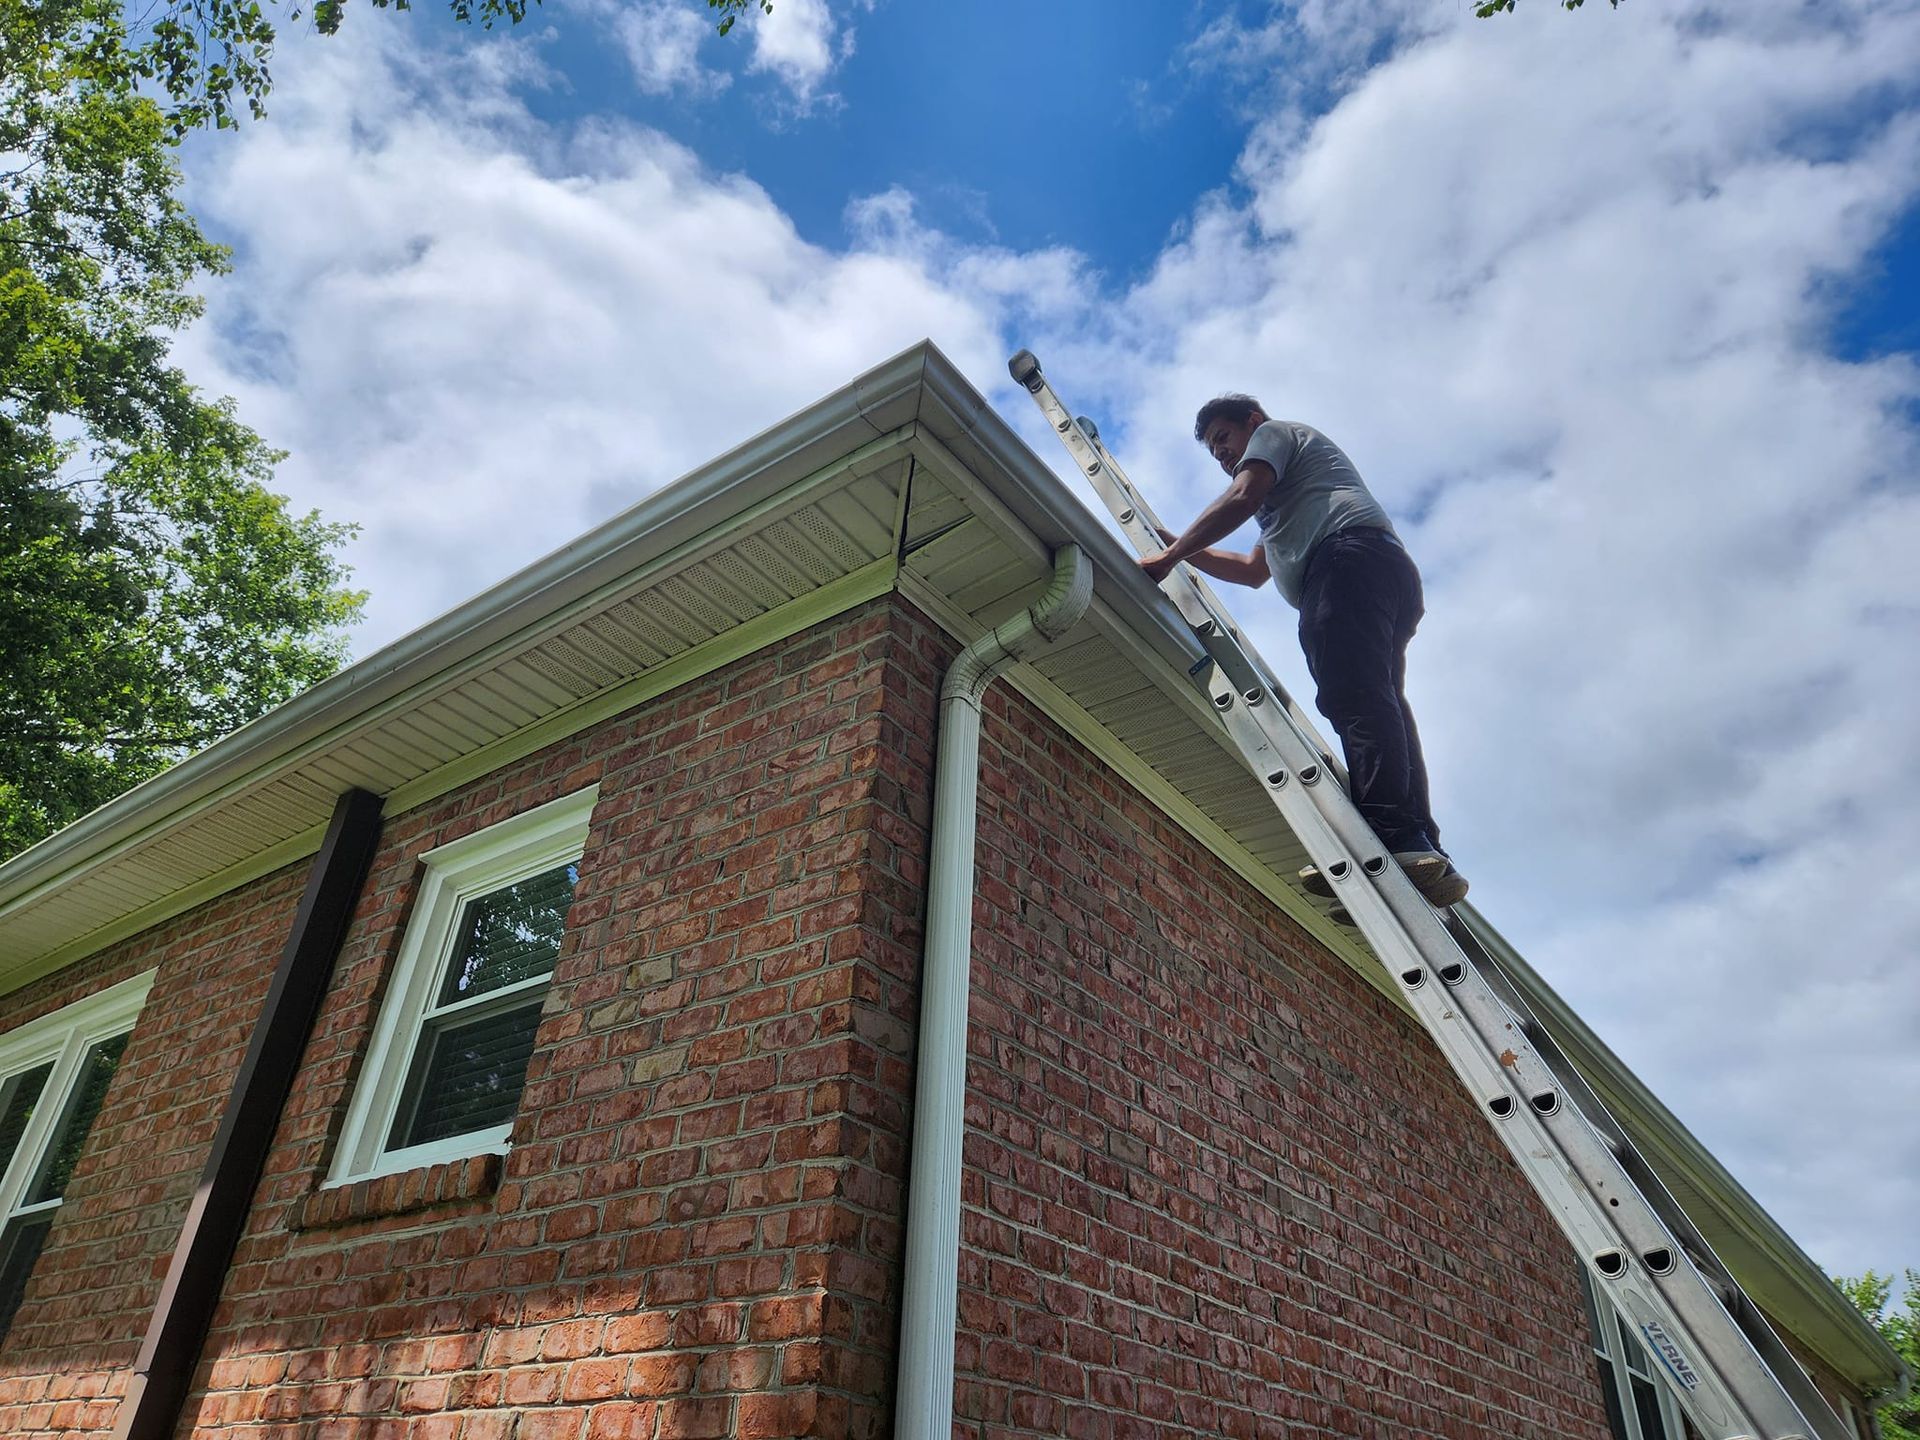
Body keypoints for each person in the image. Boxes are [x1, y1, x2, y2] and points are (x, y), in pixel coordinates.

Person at [1138, 394, 1467, 911]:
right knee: (1381, 699)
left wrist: (1170, 555)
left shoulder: (1275, 436)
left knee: (1354, 694)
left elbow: (1242, 496)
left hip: (1344, 562)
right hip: (1377, 569)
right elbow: (1252, 571)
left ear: (1252, 422)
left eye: (1223, 439)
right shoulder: (1287, 501)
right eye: (1213, 452)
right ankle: (1419, 842)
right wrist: (1179, 546)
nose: (1222, 455)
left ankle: (1390, 833)